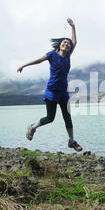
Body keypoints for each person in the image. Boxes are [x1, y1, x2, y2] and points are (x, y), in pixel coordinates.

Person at [17, 18, 82, 152]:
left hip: (63, 92)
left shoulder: (68, 57)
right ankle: (33, 127)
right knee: (50, 118)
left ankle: (71, 141)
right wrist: (24, 65)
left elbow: (75, 42)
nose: (67, 44)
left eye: (68, 44)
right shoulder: (52, 55)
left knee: (67, 116)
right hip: (52, 91)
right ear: (60, 45)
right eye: (65, 43)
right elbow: (38, 61)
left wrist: (73, 27)